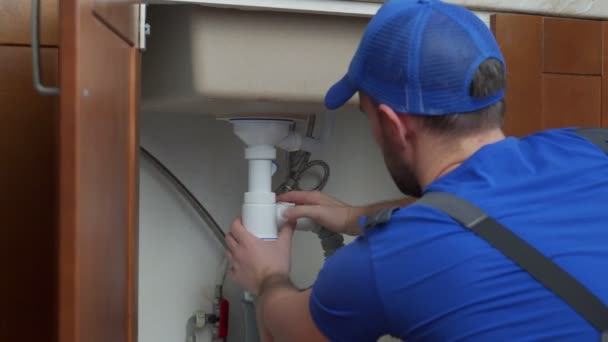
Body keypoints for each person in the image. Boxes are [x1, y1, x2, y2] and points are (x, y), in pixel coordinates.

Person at [224, 0, 608, 341]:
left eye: (367, 117)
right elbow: (481, 208)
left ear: (393, 124)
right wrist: (355, 217)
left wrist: (267, 277)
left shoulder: (383, 262)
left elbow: (284, 331)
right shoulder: (593, 148)